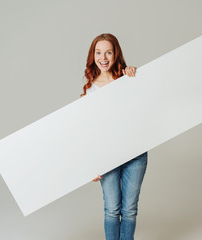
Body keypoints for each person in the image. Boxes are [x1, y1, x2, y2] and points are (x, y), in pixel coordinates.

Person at [80, 33, 148, 240]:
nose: (103, 57)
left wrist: (137, 78)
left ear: (115, 53)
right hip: (106, 157)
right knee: (111, 209)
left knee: (129, 210)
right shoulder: (89, 91)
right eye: (98, 52)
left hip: (135, 154)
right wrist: (91, 165)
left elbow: (146, 106)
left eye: (108, 52)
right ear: (93, 56)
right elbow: (87, 132)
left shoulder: (128, 80)